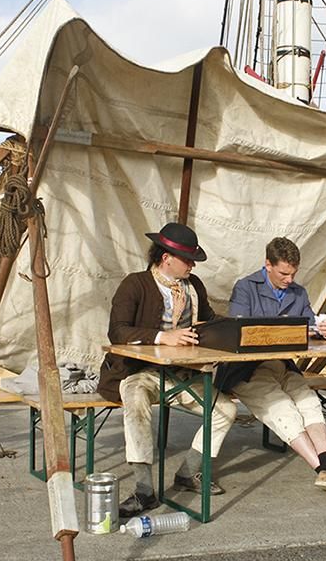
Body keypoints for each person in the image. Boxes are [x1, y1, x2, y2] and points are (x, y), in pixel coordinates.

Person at [97, 222, 238, 518]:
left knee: (225, 410)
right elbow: (118, 331)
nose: (191, 265)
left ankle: (189, 473)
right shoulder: (135, 284)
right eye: (188, 260)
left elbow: (208, 321)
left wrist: (232, 330)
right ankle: (144, 490)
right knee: (134, 402)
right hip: (141, 372)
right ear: (165, 258)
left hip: (183, 376)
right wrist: (163, 337)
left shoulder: (194, 287)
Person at [225, 237, 326, 502]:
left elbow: (311, 326)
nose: (289, 279)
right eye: (283, 273)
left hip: (282, 365)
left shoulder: (298, 293)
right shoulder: (245, 288)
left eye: (293, 273)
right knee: (283, 410)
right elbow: (238, 331)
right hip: (247, 371)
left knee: (309, 402)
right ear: (267, 264)